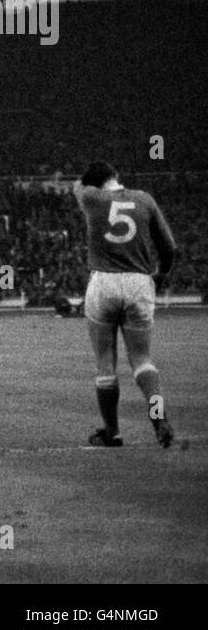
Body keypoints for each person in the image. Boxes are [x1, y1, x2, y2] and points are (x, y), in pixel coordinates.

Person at [73, 161, 177, 448]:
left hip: (103, 283)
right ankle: (159, 419)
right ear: (116, 176)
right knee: (142, 360)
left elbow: (77, 186)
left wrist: (86, 181)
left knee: (105, 362)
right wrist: (162, 275)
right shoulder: (145, 199)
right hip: (139, 282)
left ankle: (112, 432)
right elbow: (169, 248)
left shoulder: (91, 198)